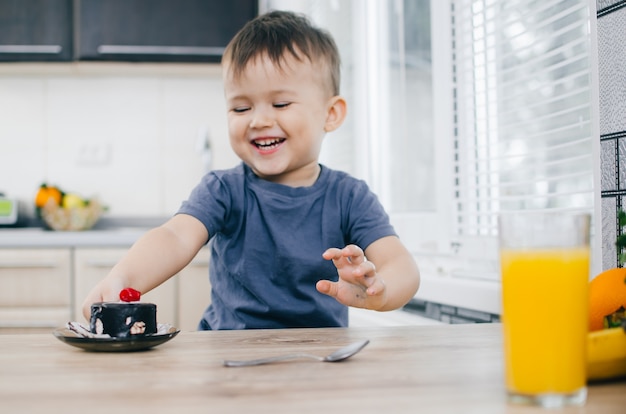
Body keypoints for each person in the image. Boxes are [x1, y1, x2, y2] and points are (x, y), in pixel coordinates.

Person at [82, 10, 420, 330]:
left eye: (281, 104)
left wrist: (380, 291)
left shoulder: (350, 197)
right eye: (241, 107)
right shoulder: (223, 190)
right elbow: (174, 237)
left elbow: (401, 265)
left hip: (317, 361)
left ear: (330, 114)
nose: (258, 120)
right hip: (230, 357)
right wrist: (122, 279)